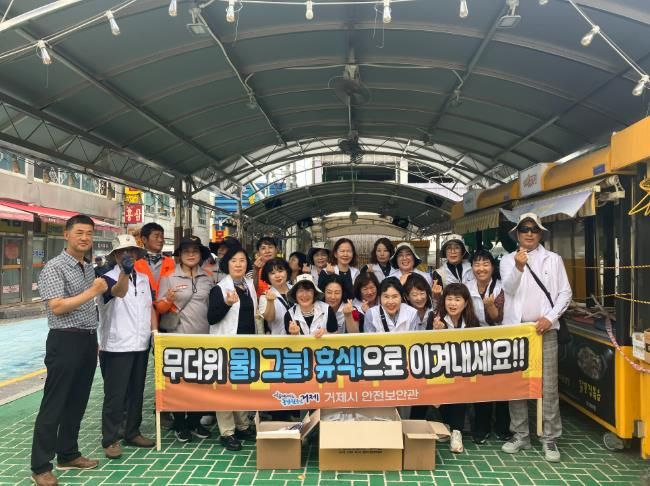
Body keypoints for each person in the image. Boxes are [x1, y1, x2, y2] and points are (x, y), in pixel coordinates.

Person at [30, 214, 107, 486]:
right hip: (64, 340)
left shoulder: (87, 267)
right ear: (66, 234)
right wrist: (93, 291)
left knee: (77, 400)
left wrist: (94, 339)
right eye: (79, 232)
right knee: (55, 403)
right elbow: (57, 307)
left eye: (89, 233)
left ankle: (68, 453)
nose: (85, 238)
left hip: (87, 339)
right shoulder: (54, 267)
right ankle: (40, 466)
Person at [500, 213, 571, 463]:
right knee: (516, 383)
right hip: (516, 331)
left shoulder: (554, 259)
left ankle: (550, 436)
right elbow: (508, 288)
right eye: (524, 229)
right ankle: (520, 434)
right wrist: (519, 267)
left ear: (540, 233)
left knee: (548, 385)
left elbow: (565, 293)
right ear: (517, 234)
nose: (529, 233)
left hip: (545, 330)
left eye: (533, 229)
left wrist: (550, 318)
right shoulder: (507, 260)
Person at [97, 235, 156, 460]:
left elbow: (149, 307)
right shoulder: (106, 279)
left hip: (140, 344)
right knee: (115, 395)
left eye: (131, 250)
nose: (127, 254)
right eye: (122, 251)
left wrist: (153, 333)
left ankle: (132, 432)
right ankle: (110, 439)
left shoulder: (144, 279)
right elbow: (118, 292)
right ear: (115, 255)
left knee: (136, 392)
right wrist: (124, 272)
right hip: (117, 346)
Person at [156, 236, 214, 444]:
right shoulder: (169, 277)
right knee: (179, 382)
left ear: (201, 255)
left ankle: (194, 422)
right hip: (177, 337)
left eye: (195, 251)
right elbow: (159, 307)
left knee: (201, 382)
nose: (191, 254)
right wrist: (168, 300)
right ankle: (180, 424)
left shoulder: (207, 278)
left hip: (204, 336)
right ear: (179, 255)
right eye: (186, 251)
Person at [207, 246, 258, 451]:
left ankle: (243, 425)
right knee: (225, 388)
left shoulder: (249, 285)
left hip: (246, 345)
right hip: (226, 345)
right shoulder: (219, 289)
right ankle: (227, 432)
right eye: (234, 260)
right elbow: (211, 318)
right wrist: (227, 303)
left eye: (242, 260)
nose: (238, 264)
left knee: (241, 386)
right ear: (227, 264)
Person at [430, 283, 480, 454]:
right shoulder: (435, 318)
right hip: (439, 370)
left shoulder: (472, 321)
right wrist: (436, 331)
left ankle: (456, 432)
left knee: (460, 388)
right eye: (449, 299)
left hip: (463, 370)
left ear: (465, 303)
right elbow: (425, 346)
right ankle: (448, 427)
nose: (452, 303)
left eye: (457, 299)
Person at [467, 249, 510, 444]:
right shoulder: (467, 288)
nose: (481, 268)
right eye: (477, 264)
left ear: (493, 267)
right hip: (475, 343)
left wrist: (491, 306)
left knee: (502, 385)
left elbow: (500, 318)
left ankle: (503, 426)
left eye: (485, 264)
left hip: (501, 342)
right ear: (471, 267)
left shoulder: (502, 287)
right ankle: (481, 427)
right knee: (480, 385)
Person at [134, 222, 175, 301]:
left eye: (162, 237)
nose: (160, 240)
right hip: (143, 306)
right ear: (144, 239)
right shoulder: (135, 263)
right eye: (156, 236)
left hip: (166, 306)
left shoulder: (171, 263)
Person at [432, 234, 474, 302]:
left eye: (457, 248)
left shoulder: (472, 269)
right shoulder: (439, 273)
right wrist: (436, 296)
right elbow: (437, 301)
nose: (453, 252)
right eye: (449, 248)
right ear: (445, 252)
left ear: (463, 251)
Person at [258, 258, 292, 335]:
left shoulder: (296, 290)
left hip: (300, 338)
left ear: (287, 272)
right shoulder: (264, 296)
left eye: (280, 271)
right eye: (272, 273)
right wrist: (270, 301)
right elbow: (269, 319)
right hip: (278, 339)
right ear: (267, 276)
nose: (277, 275)